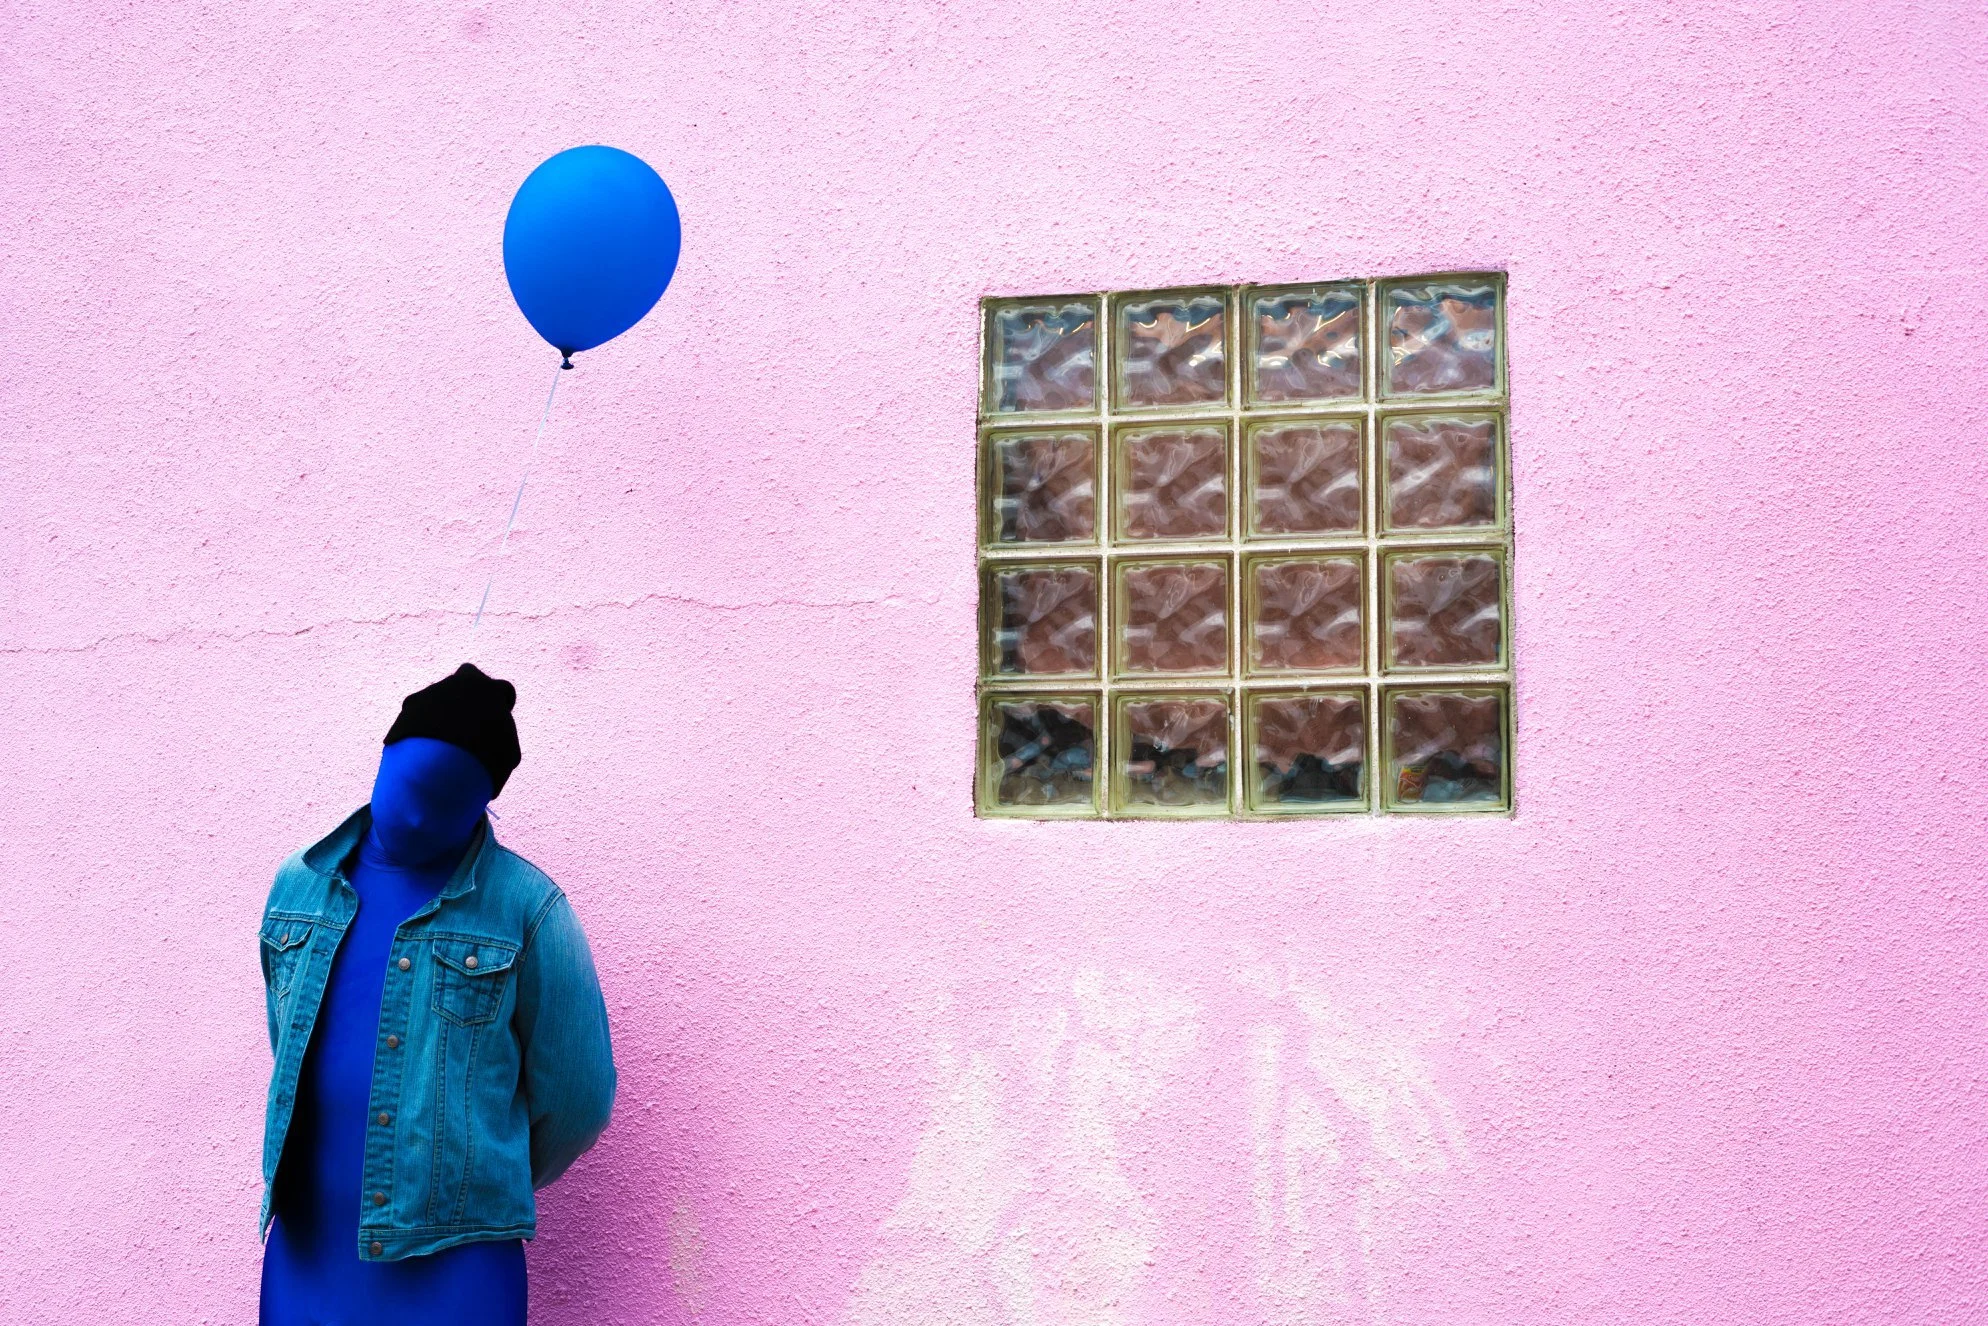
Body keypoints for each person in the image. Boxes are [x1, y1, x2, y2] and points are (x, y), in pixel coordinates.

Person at [256, 664, 615, 1325]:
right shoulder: (299, 886)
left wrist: (472, 1173)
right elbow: (290, 1042)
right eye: (413, 786)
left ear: (482, 806)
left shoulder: (528, 910)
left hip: (457, 1266)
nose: (422, 814)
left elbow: (579, 1101)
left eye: (451, 801)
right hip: (307, 1247)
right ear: (385, 756)